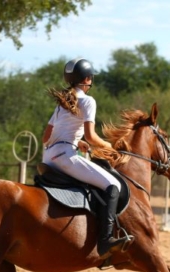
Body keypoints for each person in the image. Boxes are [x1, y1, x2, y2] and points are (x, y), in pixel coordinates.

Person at [42, 58, 131, 255]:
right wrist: (112, 147)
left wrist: (75, 141)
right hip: (65, 157)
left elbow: (46, 137)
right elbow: (91, 136)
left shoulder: (61, 104)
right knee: (112, 185)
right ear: (87, 79)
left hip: (48, 157)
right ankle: (106, 239)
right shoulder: (88, 101)